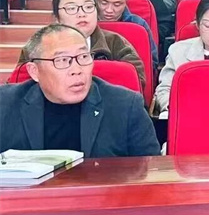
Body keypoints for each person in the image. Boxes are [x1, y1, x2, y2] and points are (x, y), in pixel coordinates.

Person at [1, 24, 160, 156]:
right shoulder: (5, 105)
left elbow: (150, 171)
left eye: (83, 57)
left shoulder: (126, 106)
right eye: (62, 60)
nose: (77, 70)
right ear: (34, 71)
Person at [17, 0, 146, 92]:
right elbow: (22, 88)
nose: (82, 13)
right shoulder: (38, 46)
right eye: (71, 8)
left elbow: (136, 82)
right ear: (57, 17)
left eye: (88, 7)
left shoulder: (116, 42)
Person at [94, 0, 158, 65]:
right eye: (103, 3)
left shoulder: (138, 25)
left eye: (117, 4)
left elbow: (151, 63)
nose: (109, 10)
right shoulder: (83, 22)